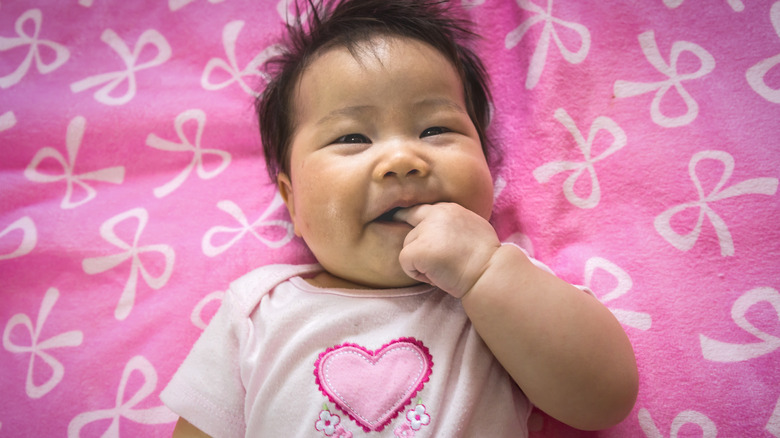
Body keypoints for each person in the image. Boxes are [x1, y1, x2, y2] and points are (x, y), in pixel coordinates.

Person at [161, 0, 638, 436]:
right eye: (352, 138)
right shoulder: (257, 308)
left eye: (435, 129)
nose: (401, 159)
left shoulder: (508, 290)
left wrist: (482, 270)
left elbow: (605, 399)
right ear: (293, 202)